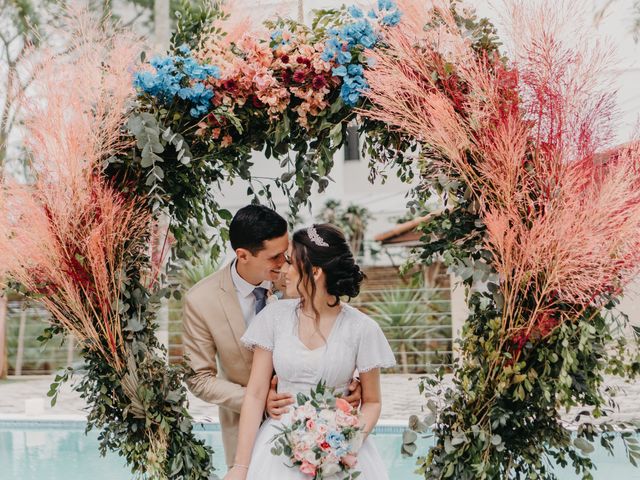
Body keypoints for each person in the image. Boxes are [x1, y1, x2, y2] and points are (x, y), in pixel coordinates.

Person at [182, 206, 361, 468]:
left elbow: (335, 325)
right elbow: (199, 378)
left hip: (318, 429)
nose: (284, 263)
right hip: (247, 429)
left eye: (286, 253)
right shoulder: (200, 301)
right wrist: (257, 398)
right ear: (243, 255)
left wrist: (348, 378)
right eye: (276, 257)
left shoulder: (299, 280)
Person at [224, 223, 396, 480]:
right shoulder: (274, 317)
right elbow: (256, 393)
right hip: (277, 450)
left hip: (338, 455)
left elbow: (372, 401)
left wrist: (346, 441)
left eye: (292, 263)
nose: (285, 270)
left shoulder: (362, 329)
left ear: (314, 272)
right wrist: (240, 466)